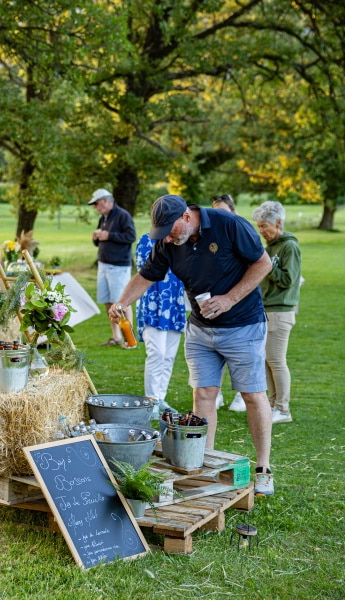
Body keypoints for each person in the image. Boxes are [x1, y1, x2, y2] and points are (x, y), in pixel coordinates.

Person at [109, 194, 276, 496]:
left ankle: (263, 468)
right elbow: (147, 275)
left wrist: (229, 299)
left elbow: (263, 264)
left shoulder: (229, 225)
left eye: (170, 231)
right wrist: (122, 302)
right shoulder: (168, 242)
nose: (168, 239)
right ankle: (204, 464)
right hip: (200, 329)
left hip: (243, 325)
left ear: (186, 217)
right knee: (203, 394)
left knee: (252, 395)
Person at [252, 201, 302, 425]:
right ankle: (273, 405)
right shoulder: (270, 247)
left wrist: (267, 266)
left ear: (278, 223)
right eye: (259, 226)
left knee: (276, 360)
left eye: (265, 226)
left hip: (281, 310)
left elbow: (289, 280)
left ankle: (283, 408)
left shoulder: (288, 246)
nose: (261, 231)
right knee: (266, 360)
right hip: (267, 308)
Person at [135, 233, 187, 413]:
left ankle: (161, 398)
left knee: (169, 355)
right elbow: (143, 273)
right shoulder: (147, 240)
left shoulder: (182, 240)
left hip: (174, 302)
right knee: (157, 353)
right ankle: (151, 401)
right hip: (154, 302)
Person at [210, 194, 245, 412]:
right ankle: (217, 393)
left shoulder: (242, 232)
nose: (219, 216)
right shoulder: (211, 236)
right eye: (216, 212)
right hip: (214, 302)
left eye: (223, 211)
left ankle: (242, 394)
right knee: (214, 350)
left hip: (239, 305)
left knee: (240, 352)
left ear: (233, 212)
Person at [89, 188, 137, 348]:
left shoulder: (123, 215)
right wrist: (96, 238)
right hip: (103, 264)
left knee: (122, 302)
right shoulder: (104, 217)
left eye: (96, 203)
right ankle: (116, 336)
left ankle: (129, 339)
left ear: (106, 201)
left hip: (118, 266)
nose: (95, 207)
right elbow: (100, 241)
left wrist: (108, 235)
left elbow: (131, 236)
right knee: (108, 301)